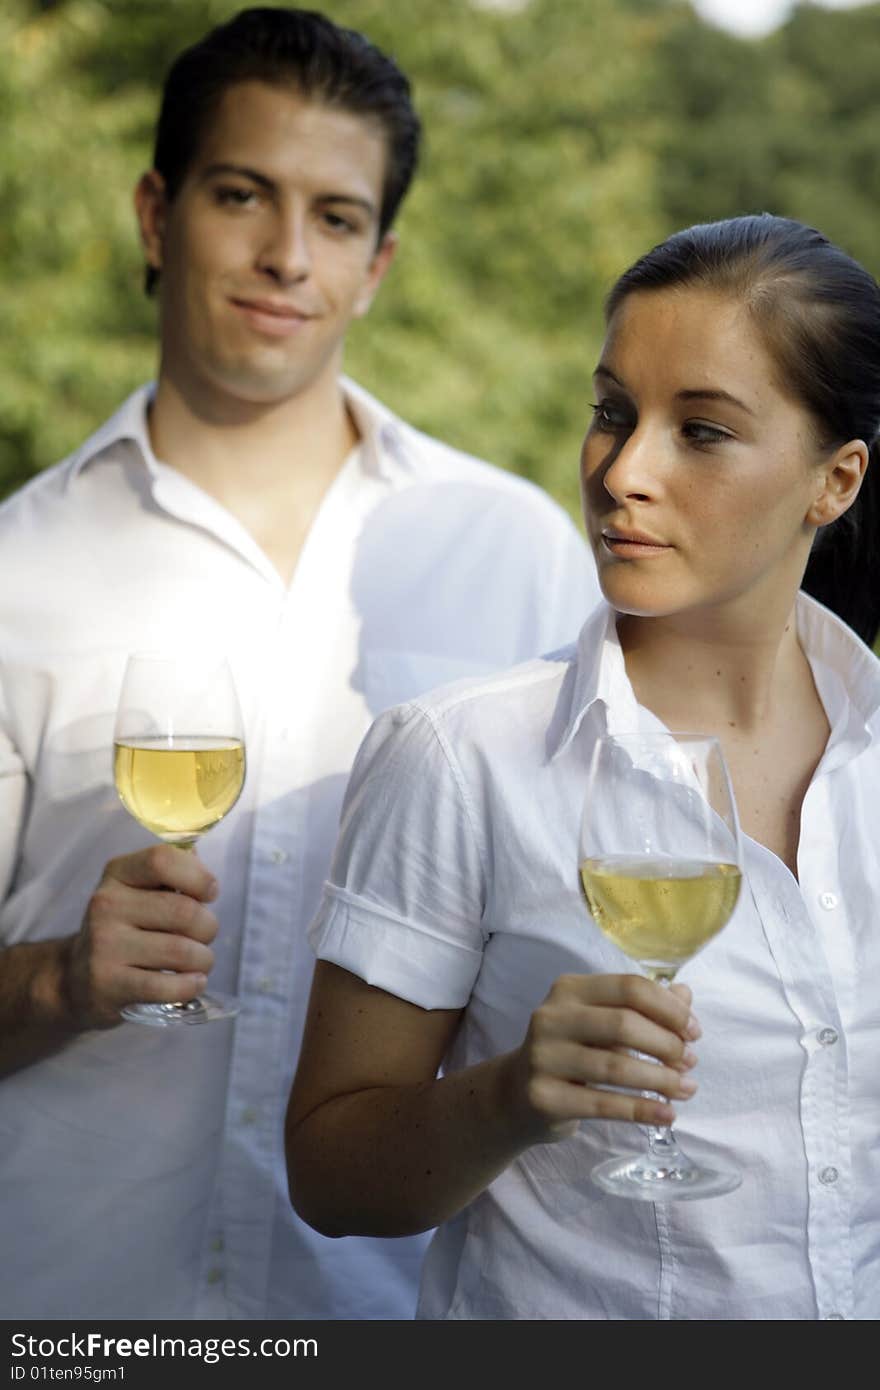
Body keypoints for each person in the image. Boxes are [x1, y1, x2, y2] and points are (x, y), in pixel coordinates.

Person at [0, 7, 599, 1321]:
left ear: (379, 264)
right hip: (74, 1309)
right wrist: (61, 976)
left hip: (385, 1305)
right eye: (241, 195)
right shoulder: (17, 571)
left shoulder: (517, 556)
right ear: (158, 217)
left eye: (335, 218)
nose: (285, 255)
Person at [286, 213, 880, 1321]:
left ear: (833, 481)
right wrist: (509, 1097)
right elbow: (327, 1176)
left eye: (699, 430)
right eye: (613, 411)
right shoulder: (458, 759)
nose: (621, 470)